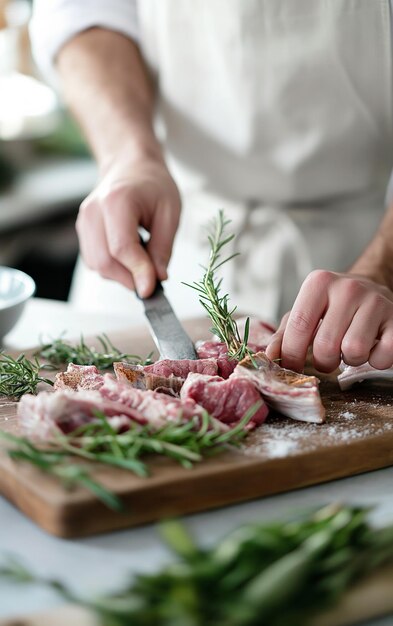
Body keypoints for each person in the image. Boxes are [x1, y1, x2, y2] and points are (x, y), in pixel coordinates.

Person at [30, 0, 393, 374]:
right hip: (163, 233)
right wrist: (129, 155)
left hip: (353, 277)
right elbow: (81, 13)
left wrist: (379, 269)